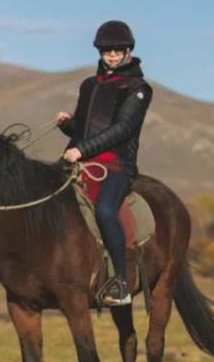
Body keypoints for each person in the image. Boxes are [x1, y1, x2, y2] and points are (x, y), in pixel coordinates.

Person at [56, 20, 153, 306]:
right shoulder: (89, 85)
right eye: (106, 50)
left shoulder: (138, 88)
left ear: (128, 51)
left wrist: (81, 149)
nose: (111, 55)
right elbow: (85, 130)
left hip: (116, 165)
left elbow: (122, 130)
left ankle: (121, 283)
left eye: (117, 50)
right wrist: (68, 126)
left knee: (106, 209)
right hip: (81, 161)